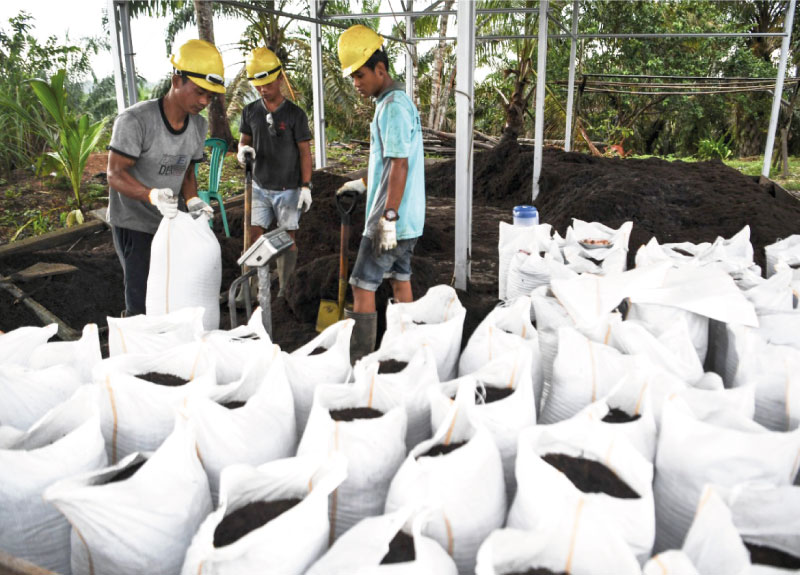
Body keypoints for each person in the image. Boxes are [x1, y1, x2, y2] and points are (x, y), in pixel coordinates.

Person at [106, 39, 222, 317]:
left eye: (210, 96)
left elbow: (187, 170)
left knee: (173, 292)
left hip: (171, 222)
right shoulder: (135, 121)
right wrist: (152, 195)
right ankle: (138, 337)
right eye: (199, 92)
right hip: (134, 223)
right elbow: (115, 174)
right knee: (142, 297)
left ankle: (171, 339)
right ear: (177, 80)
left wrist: (192, 200)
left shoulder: (198, 125)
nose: (204, 102)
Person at [335, 25, 426, 361]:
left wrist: (387, 218)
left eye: (360, 75)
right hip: (408, 220)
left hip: (390, 220)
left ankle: (358, 364)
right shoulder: (395, 103)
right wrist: (364, 183)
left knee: (362, 285)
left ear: (380, 70)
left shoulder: (392, 107)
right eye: (352, 78)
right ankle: (409, 356)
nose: (356, 84)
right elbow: (390, 163)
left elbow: (400, 165)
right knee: (400, 280)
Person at [237, 47, 312, 300]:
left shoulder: (295, 115)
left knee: (288, 237)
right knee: (253, 236)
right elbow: (244, 141)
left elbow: (305, 152)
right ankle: (251, 290)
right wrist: (242, 151)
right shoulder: (250, 111)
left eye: (267, 84)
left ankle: (284, 290)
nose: (262, 89)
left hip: (288, 188)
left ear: (279, 78)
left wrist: (306, 186)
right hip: (259, 186)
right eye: (258, 85)